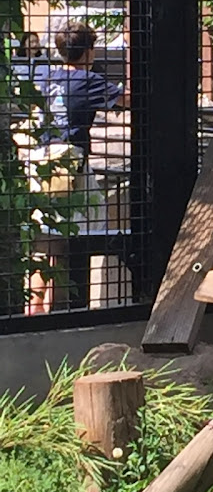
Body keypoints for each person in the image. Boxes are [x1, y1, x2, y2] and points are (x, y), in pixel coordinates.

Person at [26, 20, 128, 315]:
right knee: (94, 227)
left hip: (42, 164)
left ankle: (34, 308)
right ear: (88, 51)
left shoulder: (48, 78)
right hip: (71, 167)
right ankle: (79, 307)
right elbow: (126, 100)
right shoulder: (89, 80)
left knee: (45, 239)